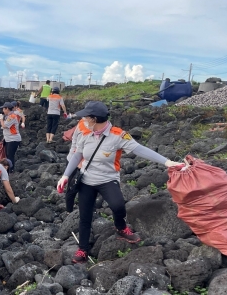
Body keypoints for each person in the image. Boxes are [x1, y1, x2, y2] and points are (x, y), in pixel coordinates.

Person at [57, 101, 184, 264]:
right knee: (85, 216)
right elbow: (77, 155)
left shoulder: (118, 135)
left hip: (108, 179)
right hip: (86, 180)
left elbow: (140, 149)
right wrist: (66, 175)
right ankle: (82, 249)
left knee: (118, 206)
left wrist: (167, 162)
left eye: (87, 117)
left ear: (94, 119)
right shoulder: (86, 133)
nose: (84, 120)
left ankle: (121, 226)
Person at [0, 102, 21, 172]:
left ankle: (11, 169)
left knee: (10, 155)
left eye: (3, 109)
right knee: (8, 155)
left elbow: (4, 126)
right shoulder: (9, 116)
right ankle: (9, 169)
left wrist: (1, 119)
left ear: (7, 109)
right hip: (8, 139)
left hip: (13, 139)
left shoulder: (12, 116)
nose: (3, 111)